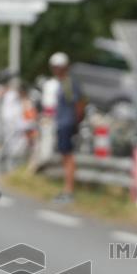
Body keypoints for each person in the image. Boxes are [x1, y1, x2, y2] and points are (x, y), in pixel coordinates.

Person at [47, 51, 84, 204]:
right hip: (62, 123)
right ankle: (67, 189)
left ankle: (69, 190)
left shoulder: (69, 83)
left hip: (67, 123)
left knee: (68, 156)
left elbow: (79, 104)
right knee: (65, 155)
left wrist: (76, 123)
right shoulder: (61, 83)